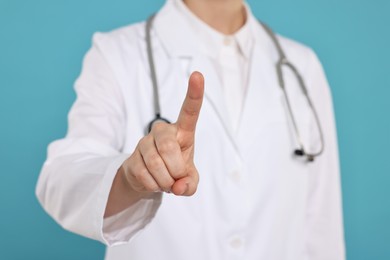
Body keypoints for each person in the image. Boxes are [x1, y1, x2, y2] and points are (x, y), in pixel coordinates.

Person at [36, 0, 346, 259]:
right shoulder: (118, 54)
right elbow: (60, 179)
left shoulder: (302, 66)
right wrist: (129, 178)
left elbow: (322, 226)